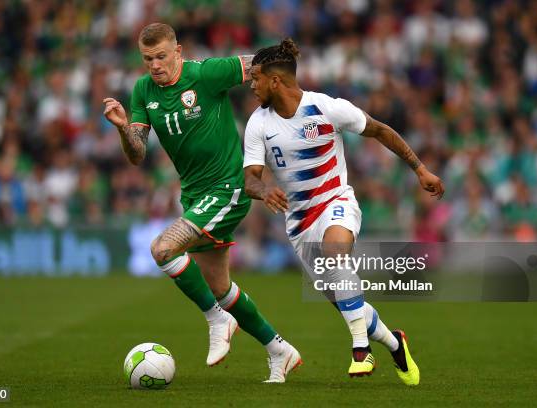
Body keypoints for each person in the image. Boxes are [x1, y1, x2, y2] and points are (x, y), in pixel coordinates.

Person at [103, 23, 301, 383]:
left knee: (163, 249)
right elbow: (137, 154)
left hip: (229, 188)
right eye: (148, 58)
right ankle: (279, 350)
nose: (155, 65)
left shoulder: (206, 73)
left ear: (178, 51)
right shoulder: (142, 90)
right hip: (196, 196)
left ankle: (217, 320)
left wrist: (283, 67)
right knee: (219, 287)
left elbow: (255, 65)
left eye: (161, 56)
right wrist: (121, 128)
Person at [243, 38, 445, 386]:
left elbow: (380, 130)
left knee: (336, 255)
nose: (251, 84)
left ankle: (360, 350)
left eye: (256, 77)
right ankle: (396, 343)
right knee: (348, 302)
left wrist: (420, 169)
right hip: (300, 224)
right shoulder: (258, 123)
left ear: (275, 80)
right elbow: (250, 179)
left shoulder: (327, 107)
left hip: (336, 202)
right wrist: (263, 190)